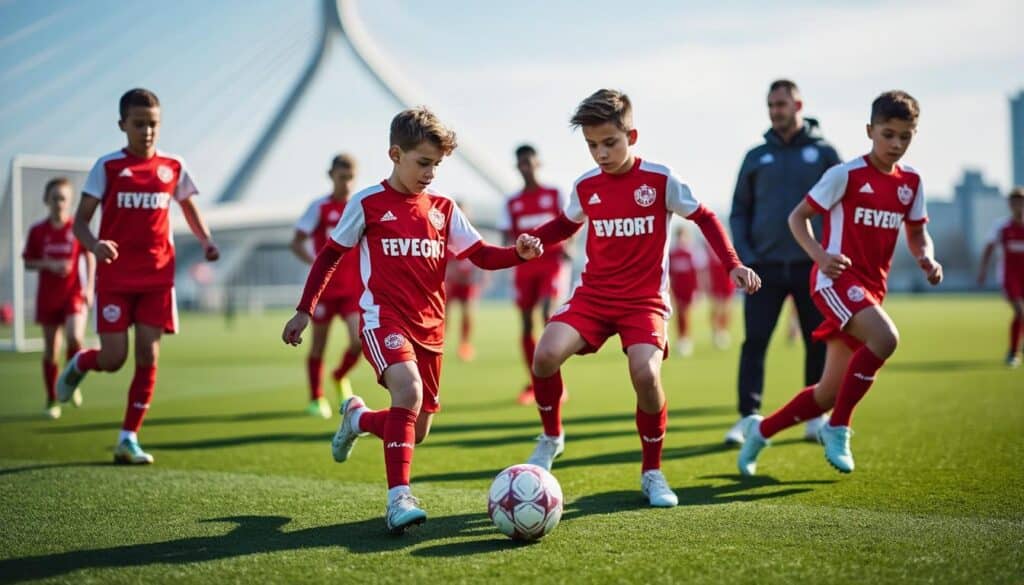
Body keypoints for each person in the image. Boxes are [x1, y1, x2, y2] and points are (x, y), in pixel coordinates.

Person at [280, 107, 543, 534]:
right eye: (423, 163)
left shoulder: (443, 208)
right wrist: (304, 309)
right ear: (394, 154)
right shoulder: (367, 203)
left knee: (415, 429)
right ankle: (398, 498)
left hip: (431, 330)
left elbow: (480, 255)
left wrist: (519, 252)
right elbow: (330, 255)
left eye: (437, 165)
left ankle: (359, 419)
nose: (431, 173)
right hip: (382, 320)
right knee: (409, 390)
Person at [522, 89, 761, 508]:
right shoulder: (586, 185)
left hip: (644, 302)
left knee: (646, 376)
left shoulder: (660, 179)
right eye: (592, 145)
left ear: (632, 135)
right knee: (544, 355)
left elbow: (704, 217)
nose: (600, 153)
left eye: (609, 143)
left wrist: (733, 264)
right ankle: (551, 437)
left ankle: (652, 472)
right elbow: (564, 224)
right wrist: (534, 239)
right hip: (593, 297)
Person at [737, 90, 942, 476]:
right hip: (834, 281)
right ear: (870, 130)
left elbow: (917, 233)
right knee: (886, 339)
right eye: (888, 134)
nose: (896, 144)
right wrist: (820, 256)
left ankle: (760, 431)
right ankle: (839, 426)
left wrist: (926, 258)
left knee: (826, 392)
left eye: (905, 136)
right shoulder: (845, 175)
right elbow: (798, 218)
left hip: (870, 289)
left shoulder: (911, 182)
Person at [56, 88, 220, 464]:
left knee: (148, 355)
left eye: (153, 124)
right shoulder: (108, 167)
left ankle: (128, 437)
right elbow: (79, 222)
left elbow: (190, 209)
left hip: (158, 279)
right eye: (139, 124)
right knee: (114, 358)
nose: (147, 131)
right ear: (122, 125)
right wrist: (95, 244)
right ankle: (82, 362)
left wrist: (206, 240)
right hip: (115, 278)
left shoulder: (173, 166)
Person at [727, 79, 842, 445]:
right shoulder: (756, 156)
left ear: (798, 105)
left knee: (817, 341)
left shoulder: (824, 153)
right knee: (755, 342)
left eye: (782, 104)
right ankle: (748, 418)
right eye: (771, 105)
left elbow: (843, 207)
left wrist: (829, 253)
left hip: (813, 266)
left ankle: (815, 416)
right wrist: (747, 256)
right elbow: (739, 211)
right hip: (764, 268)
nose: (776, 111)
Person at [496, 144, 571, 404]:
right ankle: (535, 380)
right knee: (527, 323)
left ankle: (555, 382)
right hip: (525, 268)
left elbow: (570, 223)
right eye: (522, 163)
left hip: (552, 264)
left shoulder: (554, 194)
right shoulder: (512, 203)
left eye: (530, 162)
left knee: (548, 315)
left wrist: (568, 248)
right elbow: (507, 235)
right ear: (517, 167)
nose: (526, 167)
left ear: (539, 162)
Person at [292, 154, 362, 418]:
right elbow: (297, 241)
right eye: (341, 177)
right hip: (323, 291)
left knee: (359, 341)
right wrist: (316, 262)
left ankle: (339, 375)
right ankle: (316, 398)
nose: (346, 183)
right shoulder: (318, 208)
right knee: (318, 345)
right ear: (331, 175)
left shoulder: (358, 206)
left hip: (352, 289)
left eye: (350, 178)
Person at [22, 177, 94, 419]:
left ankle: (70, 382)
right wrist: (49, 264)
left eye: (63, 198)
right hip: (48, 296)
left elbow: (90, 255)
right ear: (46, 200)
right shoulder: (37, 231)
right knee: (52, 351)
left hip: (73, 294)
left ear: (70, 201)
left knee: (75, 337)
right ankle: (52, 398)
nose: (59, 203)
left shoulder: (76, 229)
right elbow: (28, 261)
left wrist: (90, 286)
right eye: (55, 198)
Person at [977, 187, 1024, 367]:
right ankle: (1013, 353)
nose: (1018, 206)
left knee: (1021, 314)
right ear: (1010, 205)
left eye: (1021, 202)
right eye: (1014, 202)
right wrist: (982, 271)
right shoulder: (1001, 226)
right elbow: (988, 248)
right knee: (1020, 310)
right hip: (1009, 277)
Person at [445, 201, 488, 362]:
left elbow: (483, 255)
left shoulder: (473, 233)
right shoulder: (447, 234)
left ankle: (464, 345)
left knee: (468, 313)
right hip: (451, 282)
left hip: (469, 281)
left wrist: (483, 277)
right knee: (444, 313)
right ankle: (439, 341)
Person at [668, 226, 698, 357]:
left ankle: (686, 339)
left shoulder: (691, 253)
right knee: (678, 314)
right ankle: (680, 339)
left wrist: (696, 289)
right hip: (676, 290)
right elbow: (668, 274)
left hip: (689, 289)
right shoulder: (671, 254)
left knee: (687, 313)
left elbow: (696, 273)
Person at [702, 237, 736, 350]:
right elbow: (704, 268)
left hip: (727, 282)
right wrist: (706, 283)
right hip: (714, 282)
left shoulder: (730, 247)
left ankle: (724, 331)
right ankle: (716, 331)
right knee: (715, 308)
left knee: (727, 308)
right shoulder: (708, 248)